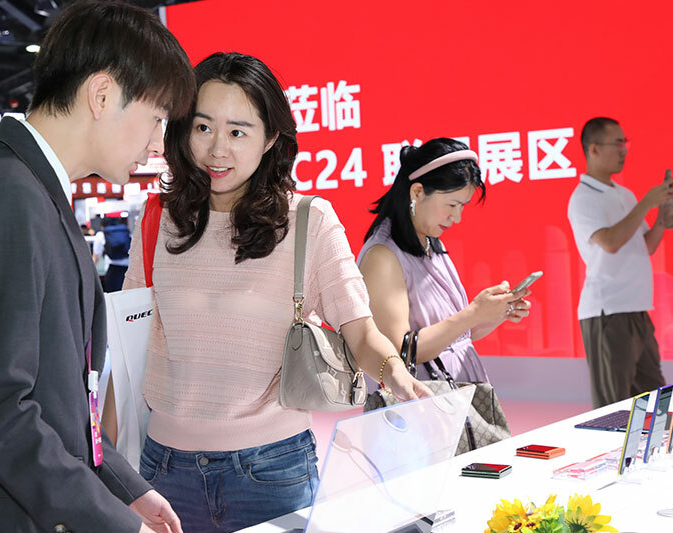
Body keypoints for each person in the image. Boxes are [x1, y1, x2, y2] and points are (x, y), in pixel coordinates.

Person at [0, 2, 195, 532]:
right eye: (156, 118)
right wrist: (115, 522)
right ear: (102, 95)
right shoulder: (6, 196)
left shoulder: (27, 189)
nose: (156, 144)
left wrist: (125, 488)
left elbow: (60, 399)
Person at [102, 52, 431, 533]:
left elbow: (360, 333)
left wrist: (396, 375)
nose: (217, 149)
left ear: (271, 138)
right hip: (163, 473)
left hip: (271, 473)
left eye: (238, 132)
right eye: (203, 127)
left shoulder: (309, 222)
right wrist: (106, 467)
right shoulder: (160, 220)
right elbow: (128, 350)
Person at [357, 139, 531, 383]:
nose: (456, 217)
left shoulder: (429, 243)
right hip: (422, 401)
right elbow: (398, 353)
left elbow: (455, 336)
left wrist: (494, 312)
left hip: (455, 394)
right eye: (451, 204)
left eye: (462, 206)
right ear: (417, 192)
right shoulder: (383, 257)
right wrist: (473, 313)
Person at [567, 117, 671, 408]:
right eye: (618, 143)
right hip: (607, 313)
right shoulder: (583, 198)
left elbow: (646, 246)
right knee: (614, 409)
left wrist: (661, 217)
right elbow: (610, 242)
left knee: (655, 403)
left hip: (637, 309)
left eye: (625, 143)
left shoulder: (624, 194)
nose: (624, 150)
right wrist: (647, 203)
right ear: (594, 149)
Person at [93, 216, 132, 292]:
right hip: (128, 270)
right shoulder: (125, 232)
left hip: (112, 270)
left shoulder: (101, 235)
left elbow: (96, 256)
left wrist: (91, 271)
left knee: (113, 297)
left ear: (102, 226)